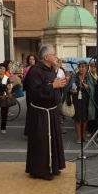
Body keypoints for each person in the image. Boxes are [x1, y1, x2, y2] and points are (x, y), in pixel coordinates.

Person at [25, 45, 67, 180]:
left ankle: (53, 166)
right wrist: (53, 86)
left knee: (53, 140)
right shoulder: (35, 71)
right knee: (42, 142)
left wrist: (59, 85)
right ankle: (41, 170)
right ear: (46, 57)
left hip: (52, 110)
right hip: (41, 113)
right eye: (53, 54)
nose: (56, 56)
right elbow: (35, 92)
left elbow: (52, 85)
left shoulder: (51, 70)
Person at [66, 61, 95, 144]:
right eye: (80, 67)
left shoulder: (88, 77)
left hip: (86, 99)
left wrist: (87, 87)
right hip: (76, 99)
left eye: (83, 67)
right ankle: (79, 137)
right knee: (78, 118)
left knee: (85, 118)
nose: (81, 69)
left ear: (86, 68)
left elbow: (92, 89)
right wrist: (71, 91)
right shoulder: (74, 76)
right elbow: (68, 88)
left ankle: (83, 136)